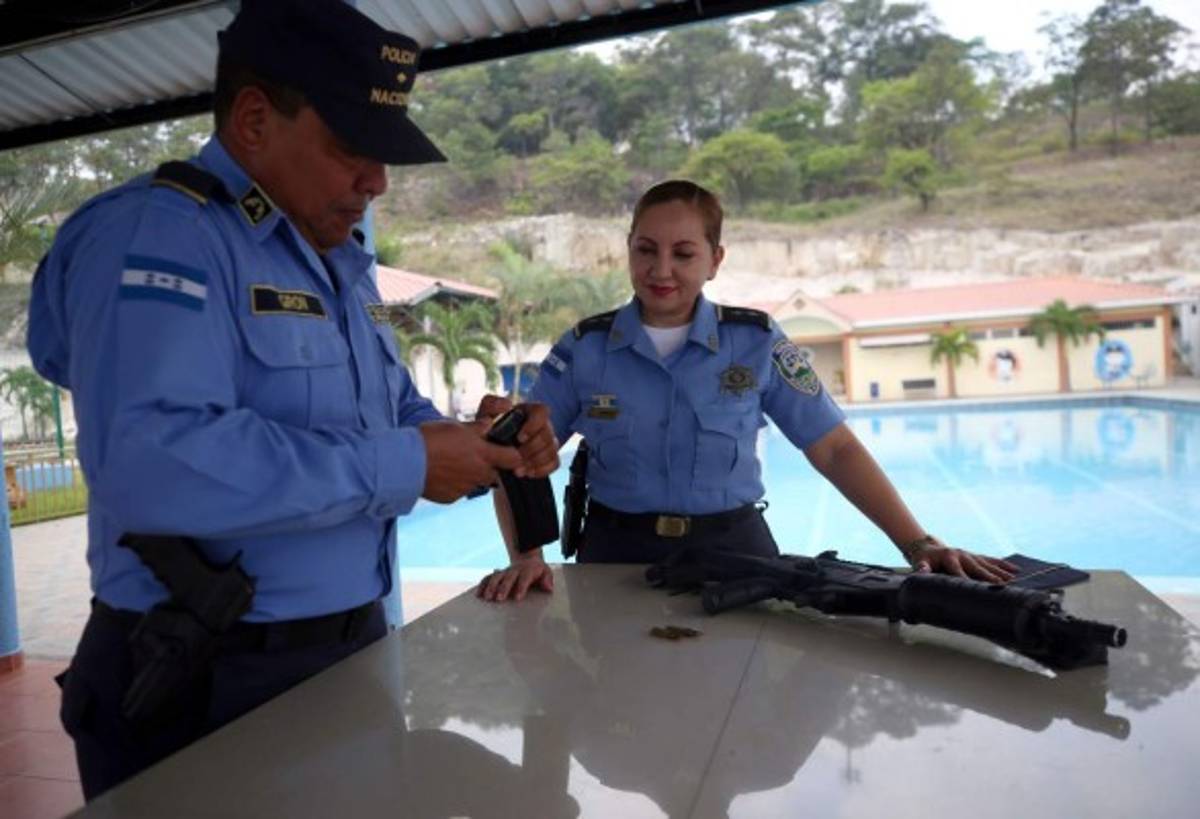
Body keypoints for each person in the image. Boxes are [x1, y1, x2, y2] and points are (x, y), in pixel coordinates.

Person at [26, 0, 557, 800]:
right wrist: (405, 462)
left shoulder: (335, 254)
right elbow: (152, 462)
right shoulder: (160, 234)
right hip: (206, 677)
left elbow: (390, 408)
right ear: (252, 121)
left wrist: (475, 439)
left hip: (344, 655)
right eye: (353, 149)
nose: (375, 182)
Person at [478, 179, 1015, 602]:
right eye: (646, 249)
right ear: (628, 251)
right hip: (614, 557)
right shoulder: (583, 350)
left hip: (737, 552)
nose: (661, 269)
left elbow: (833, 447)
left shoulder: (756, 342)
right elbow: (517, 450)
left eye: (684, 253)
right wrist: (527, 554)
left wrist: (917, 543)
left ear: (715, 259)